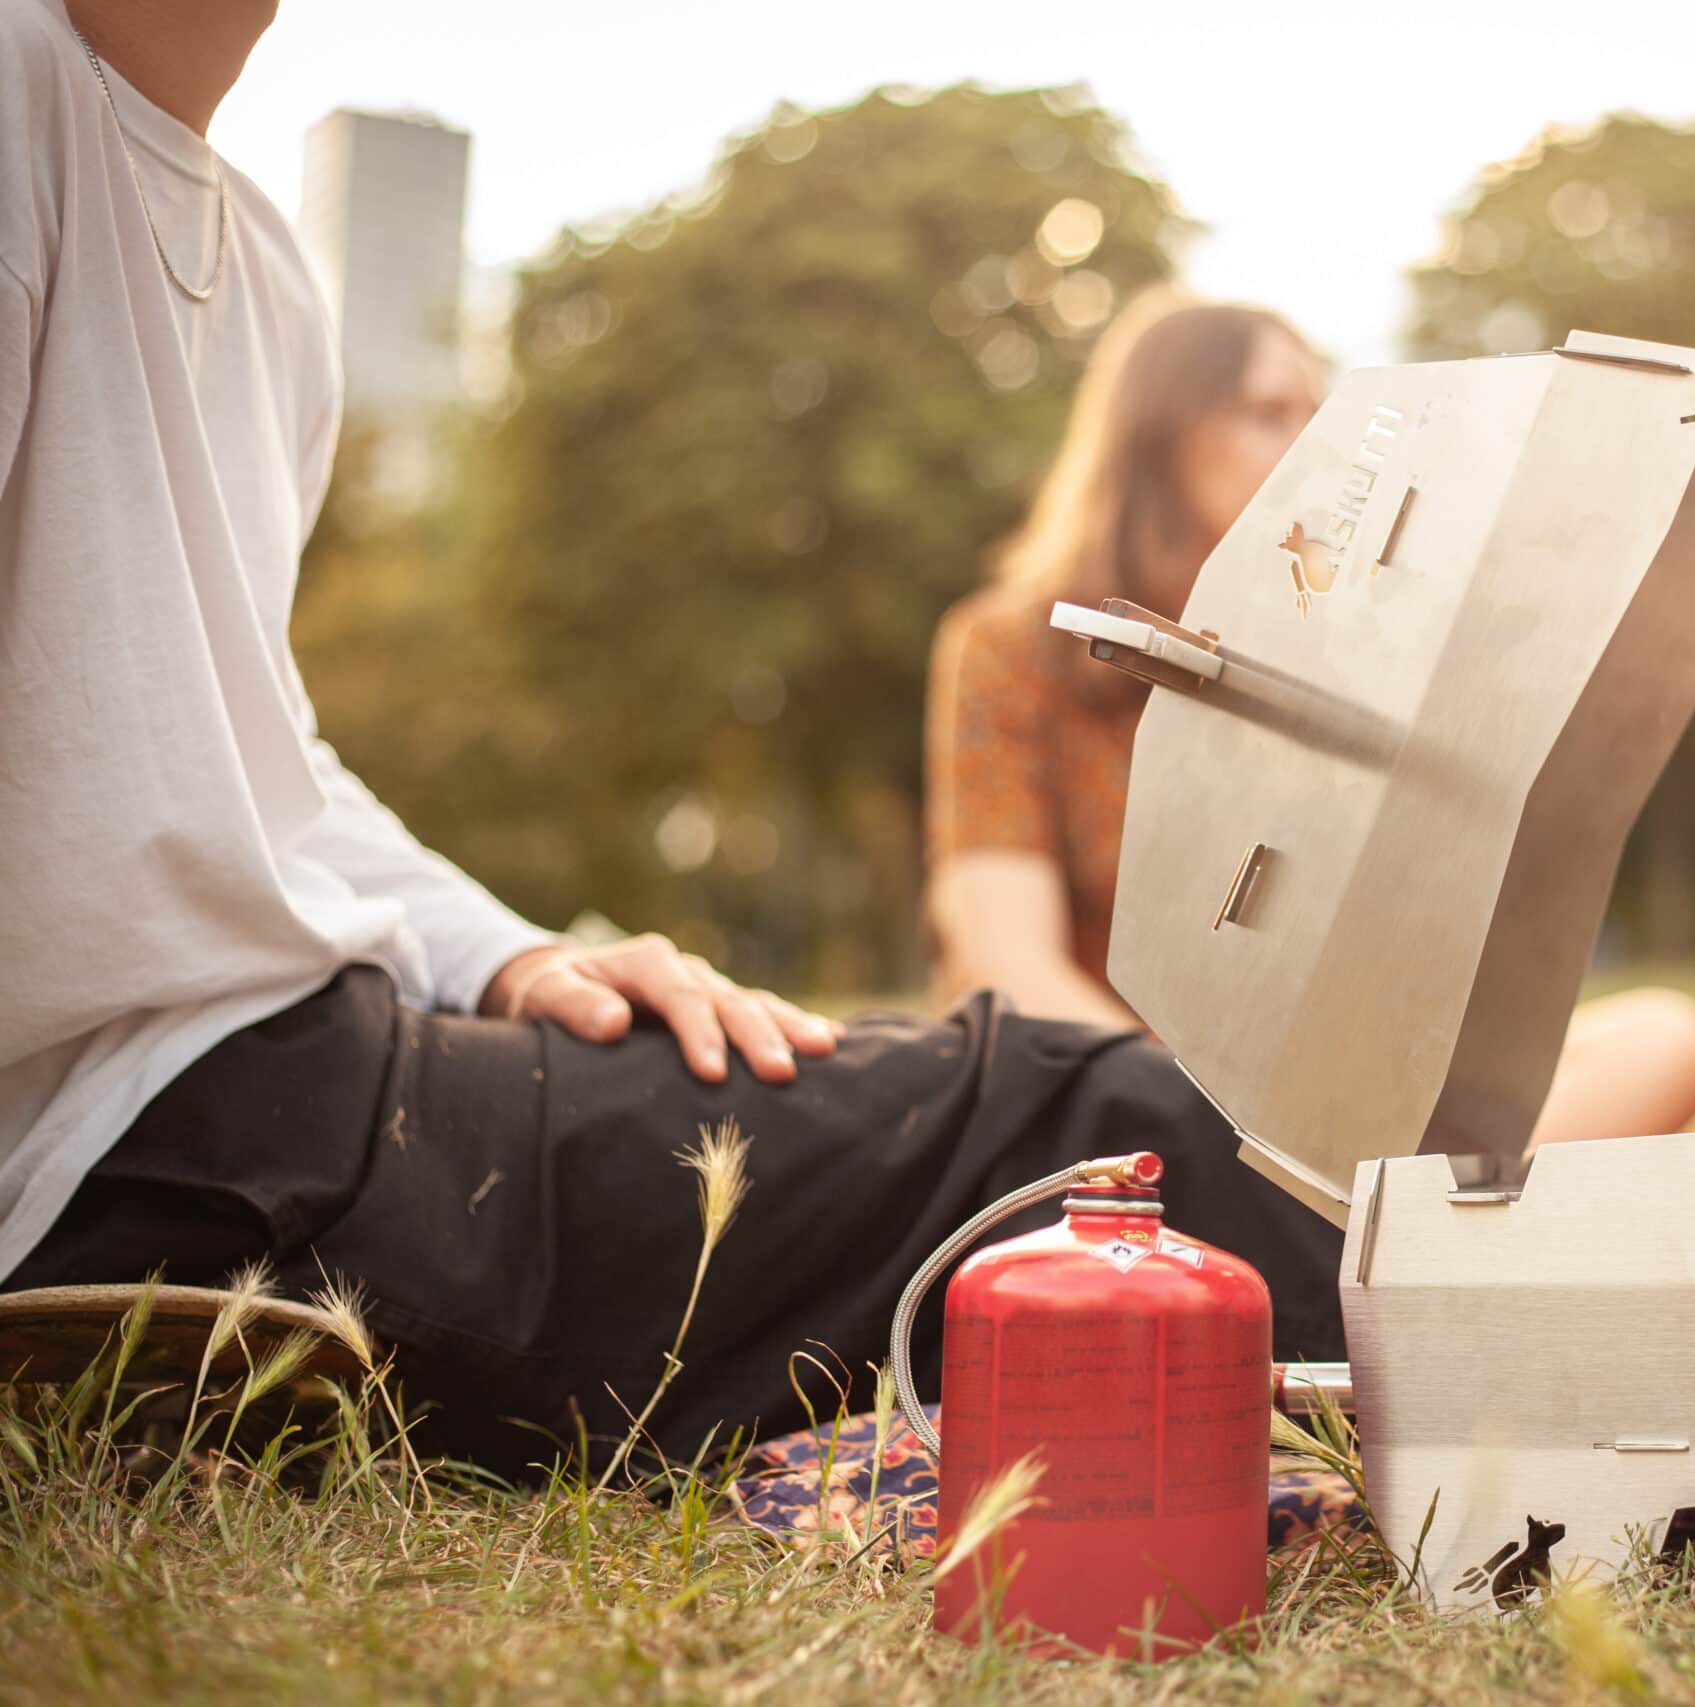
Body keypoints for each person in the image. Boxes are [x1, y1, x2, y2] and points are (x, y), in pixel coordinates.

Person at [0, 0, 1343, 1471]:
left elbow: (247, 758)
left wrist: (506, 953)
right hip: (151, 1149)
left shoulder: (263, 270)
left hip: (324, 1056)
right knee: (1084, 1128)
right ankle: (1526, 1350)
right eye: (1266, 409)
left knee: (1074, 1113)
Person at [923, 290, 1695, 1149]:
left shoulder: (1342, 652)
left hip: (1308, 1111)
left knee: (1667, 1042)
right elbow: (1003, 963)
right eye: (1267, 411)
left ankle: (1350, 1228)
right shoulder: (1010, 647)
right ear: (1159, 440)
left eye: (1322, 411)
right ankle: (1371, 1235)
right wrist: (1198, 1120)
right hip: (1108, 1106)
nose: (1314, 443)